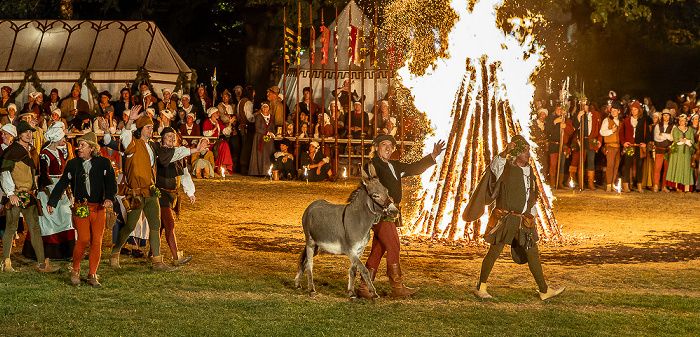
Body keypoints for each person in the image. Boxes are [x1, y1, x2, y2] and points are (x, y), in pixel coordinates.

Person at [463, 135, 564, 301]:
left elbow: (531, 194)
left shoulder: (530, 170)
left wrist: (532, 215)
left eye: (529, 150)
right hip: (505, 219)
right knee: (494, 251)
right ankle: (481, 287)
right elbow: (495, 166)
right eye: (524, 151)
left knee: (532, 252)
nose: (528, 154)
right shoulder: (506, 168)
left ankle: (544, 290)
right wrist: (505, 151)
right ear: (516, 152)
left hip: (524, 220)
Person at [109, 107, 208, 270]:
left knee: (155, 226)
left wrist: (195, 150)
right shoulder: (132, 145)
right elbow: (125, 138)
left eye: (151, 127)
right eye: (148, 127)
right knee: (130, 226)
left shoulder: (153, 147)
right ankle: (115, 252)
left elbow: (172, 154)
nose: (151, 129)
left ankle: (157, 261)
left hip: (151, 192)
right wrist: (130, 121)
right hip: (136, 194)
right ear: (140, 130)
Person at [357, 134, 445, 299]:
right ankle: (397, 286)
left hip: (392, 212)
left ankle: (364, 287)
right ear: (376, 147)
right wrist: (385, 200)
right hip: (379, 213)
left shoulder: (394, 165)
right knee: (394, 245)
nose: (388, 148)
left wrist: (432, 156)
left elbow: (413, 168)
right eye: (384, 144)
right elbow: (371, 188)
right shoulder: (371, 166)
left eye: (391, 145)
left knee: (379, 248)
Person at [47, 132, 117, 287]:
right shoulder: (73, 164)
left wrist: (109, 198)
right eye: (79, 145)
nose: (79, 148)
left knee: (97, 242)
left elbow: (112, 184)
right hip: (81, 208)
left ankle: (92, 274)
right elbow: (62, 183)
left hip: (99, 208)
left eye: (82, 145)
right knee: (83, 239)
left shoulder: (104, 163)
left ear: (92, 148)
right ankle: (75, 270)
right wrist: (52, 202)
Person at [0, 121, 59, 272]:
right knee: (10, 228)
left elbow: (35, 174)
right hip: (15, 195)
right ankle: (6, 263)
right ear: (19, 134)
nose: (29, 134)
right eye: (26, 132)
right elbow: (5, 173)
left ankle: (42, 264)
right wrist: (11, 193)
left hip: (29, 195)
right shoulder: (11, 151)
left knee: (35, 229)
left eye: (30, 132)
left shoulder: (31, 151)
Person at [23, 122, 75, 261]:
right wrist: (51, 190)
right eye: (62, 137)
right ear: (57, 137)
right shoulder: (44, 154)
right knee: (50, 219)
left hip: (61, 186)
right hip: (49, 188)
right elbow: (44, 174)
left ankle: (66, 251)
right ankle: (51, 251)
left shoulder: (58, 151)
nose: (64, 140)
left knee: (65, 216)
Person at [155, 127, 196, 266]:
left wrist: (190, 192)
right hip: (161, 194)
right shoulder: (160, 154)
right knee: (170, 224)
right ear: (162, 139)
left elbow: (184, 175)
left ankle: (151, 254)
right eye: (168, 137)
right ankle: (176, 257)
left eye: (174, 137)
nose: (172, 139)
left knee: (161, 226)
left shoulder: (179, 156)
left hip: (173, 195)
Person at [620, 101, 652, 193]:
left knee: (639, 166)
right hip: (629, 146)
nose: (634, 111)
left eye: (635, 109)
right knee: (627, 165)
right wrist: (624, 143)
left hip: (638, 146)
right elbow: (621, 133)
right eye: (632, 109)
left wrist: (645, 143)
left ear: (639, 110)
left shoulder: (643, 121)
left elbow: (647, 134)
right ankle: (626, 185)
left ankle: (639, 185)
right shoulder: (626, 120)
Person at [570, 102, 602, 189]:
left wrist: (599, 140)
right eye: (583, 105)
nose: (585, 107)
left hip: (591, 141)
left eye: (586, 105)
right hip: (582, 140)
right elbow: (575, 127)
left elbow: (599, 129)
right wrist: (578, 117)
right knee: (581, 161)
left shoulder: (595, 115)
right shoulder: (580, 115)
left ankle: (590, 183)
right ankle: (581, 182)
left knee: (591, 161)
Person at [545, 106, 574, 188]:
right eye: (557, 109)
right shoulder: (551, 119)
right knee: (553, 164)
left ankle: (560, 182)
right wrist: (555, 122)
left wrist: (565, 127)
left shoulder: (567, 120)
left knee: (561, 164)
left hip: (563, 145)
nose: (559, 111)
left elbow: (571, 131)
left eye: (561, 109)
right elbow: (547, 130)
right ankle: (553, 182)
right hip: (554, 144)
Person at [665, 114, 695, 192]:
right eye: (680, 120)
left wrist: (684, 140)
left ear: (686, 121)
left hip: (686, 153)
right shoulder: (676, 129)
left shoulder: (689, 130)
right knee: (678, 167)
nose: (681, 122)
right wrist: (686, 141)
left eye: (683, 120)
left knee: (686, 168)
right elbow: (677, 140)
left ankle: (686, 187)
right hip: (677, 152)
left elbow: (692, 141)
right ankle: (677, 186)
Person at [599, 102, 622, 191]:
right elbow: (602, 132)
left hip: (617, 146)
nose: (613, 112)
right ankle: (608, 184)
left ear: (618, 111)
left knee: (616, 166)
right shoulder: (607, 120)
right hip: (610, 146)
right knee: (610, 165)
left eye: (615, 111)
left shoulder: (621, 122)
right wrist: (611, 131)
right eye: (612, 111)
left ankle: (612, 183)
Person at [248, 101, 276, 176]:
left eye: (266, 107)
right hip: (260, 137)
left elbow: (273, 127)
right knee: (261, 155)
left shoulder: (272, 117)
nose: (265, 108)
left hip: (269, 139)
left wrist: (273, 133)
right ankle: (259, 171)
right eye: (263, 107)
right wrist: (266, 132)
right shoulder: (258, 117)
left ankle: (267, 171)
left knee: (268, 154)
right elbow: (257, 128)